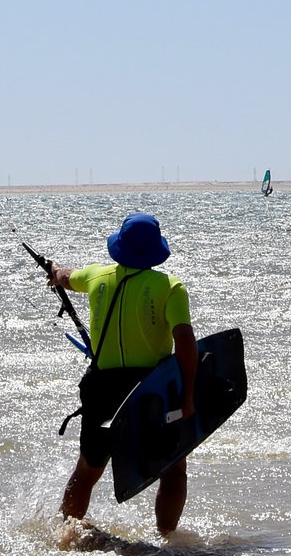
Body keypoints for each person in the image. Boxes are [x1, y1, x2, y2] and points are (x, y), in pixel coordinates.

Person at [45, 211, 198, 535]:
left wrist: (55, 271)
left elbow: (67, 277)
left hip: (103, 388)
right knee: (174, 470)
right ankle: (169, 541)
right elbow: (185, 343)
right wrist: (187, 397)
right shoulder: (170, 287)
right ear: (156, 250)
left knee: (88, 468)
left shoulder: (96, 276)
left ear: (121, 246)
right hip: (150, 391)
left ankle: (66, 537)